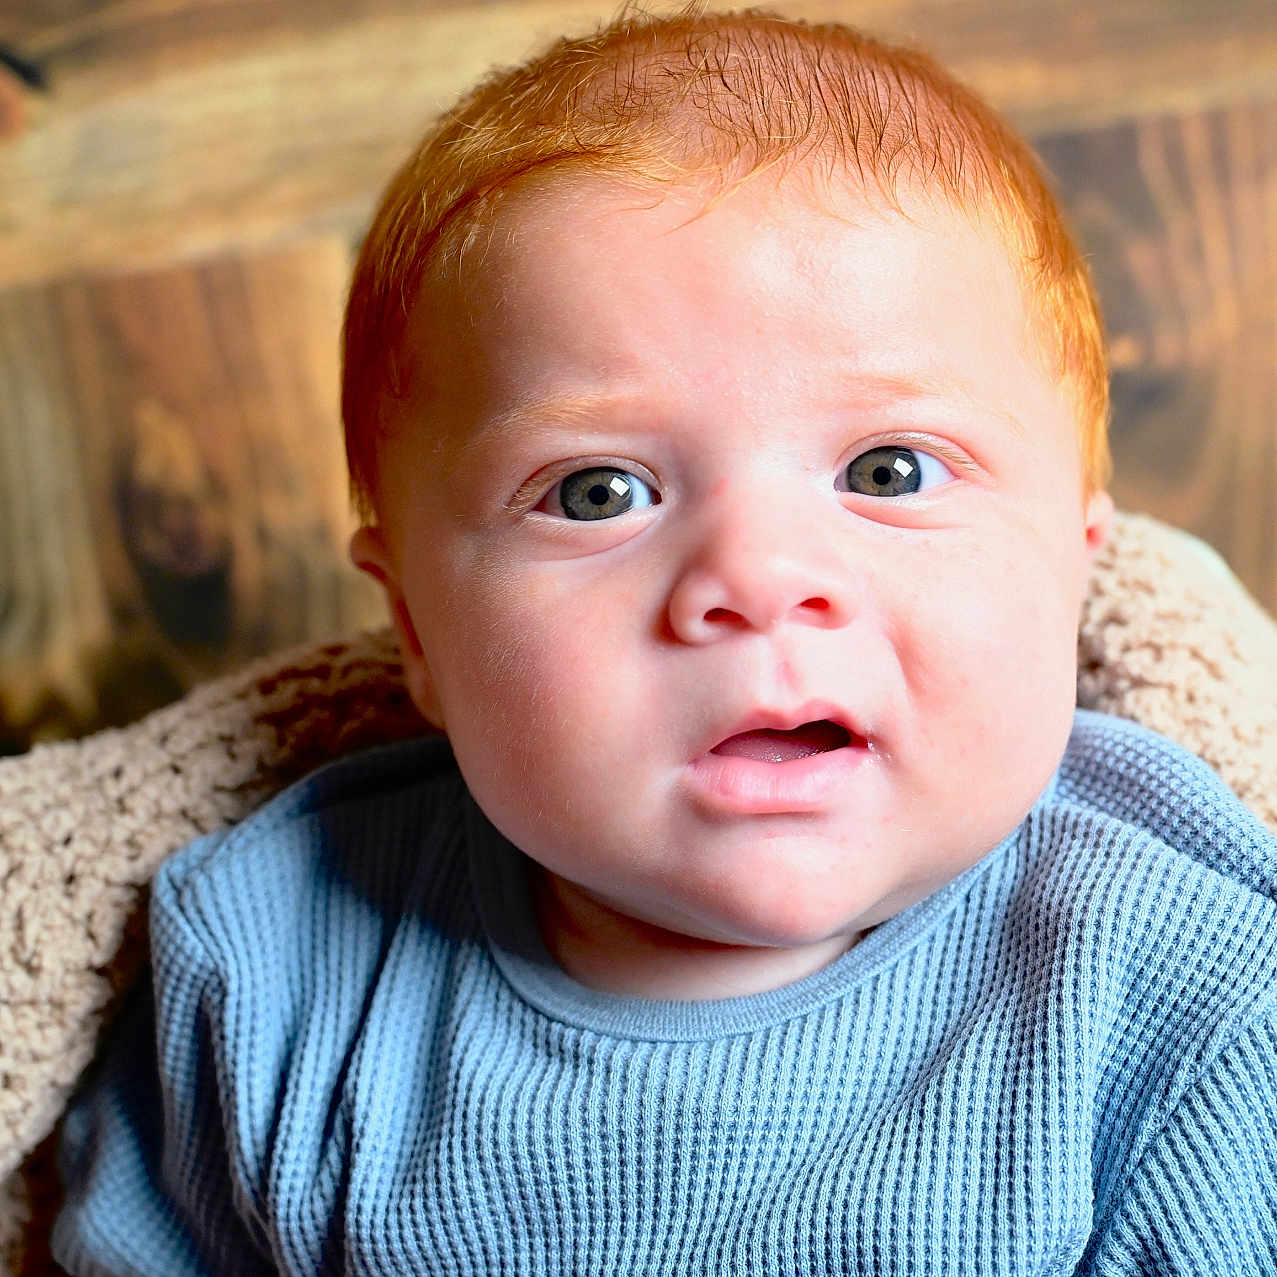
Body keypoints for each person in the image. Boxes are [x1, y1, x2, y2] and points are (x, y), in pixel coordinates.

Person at [53, 4, 1277, 1273]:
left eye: (889, 466)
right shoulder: (273, 967)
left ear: (1074, 575)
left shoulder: (1187, 1013)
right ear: (415, 627)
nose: (754, 579)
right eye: (597, 492)